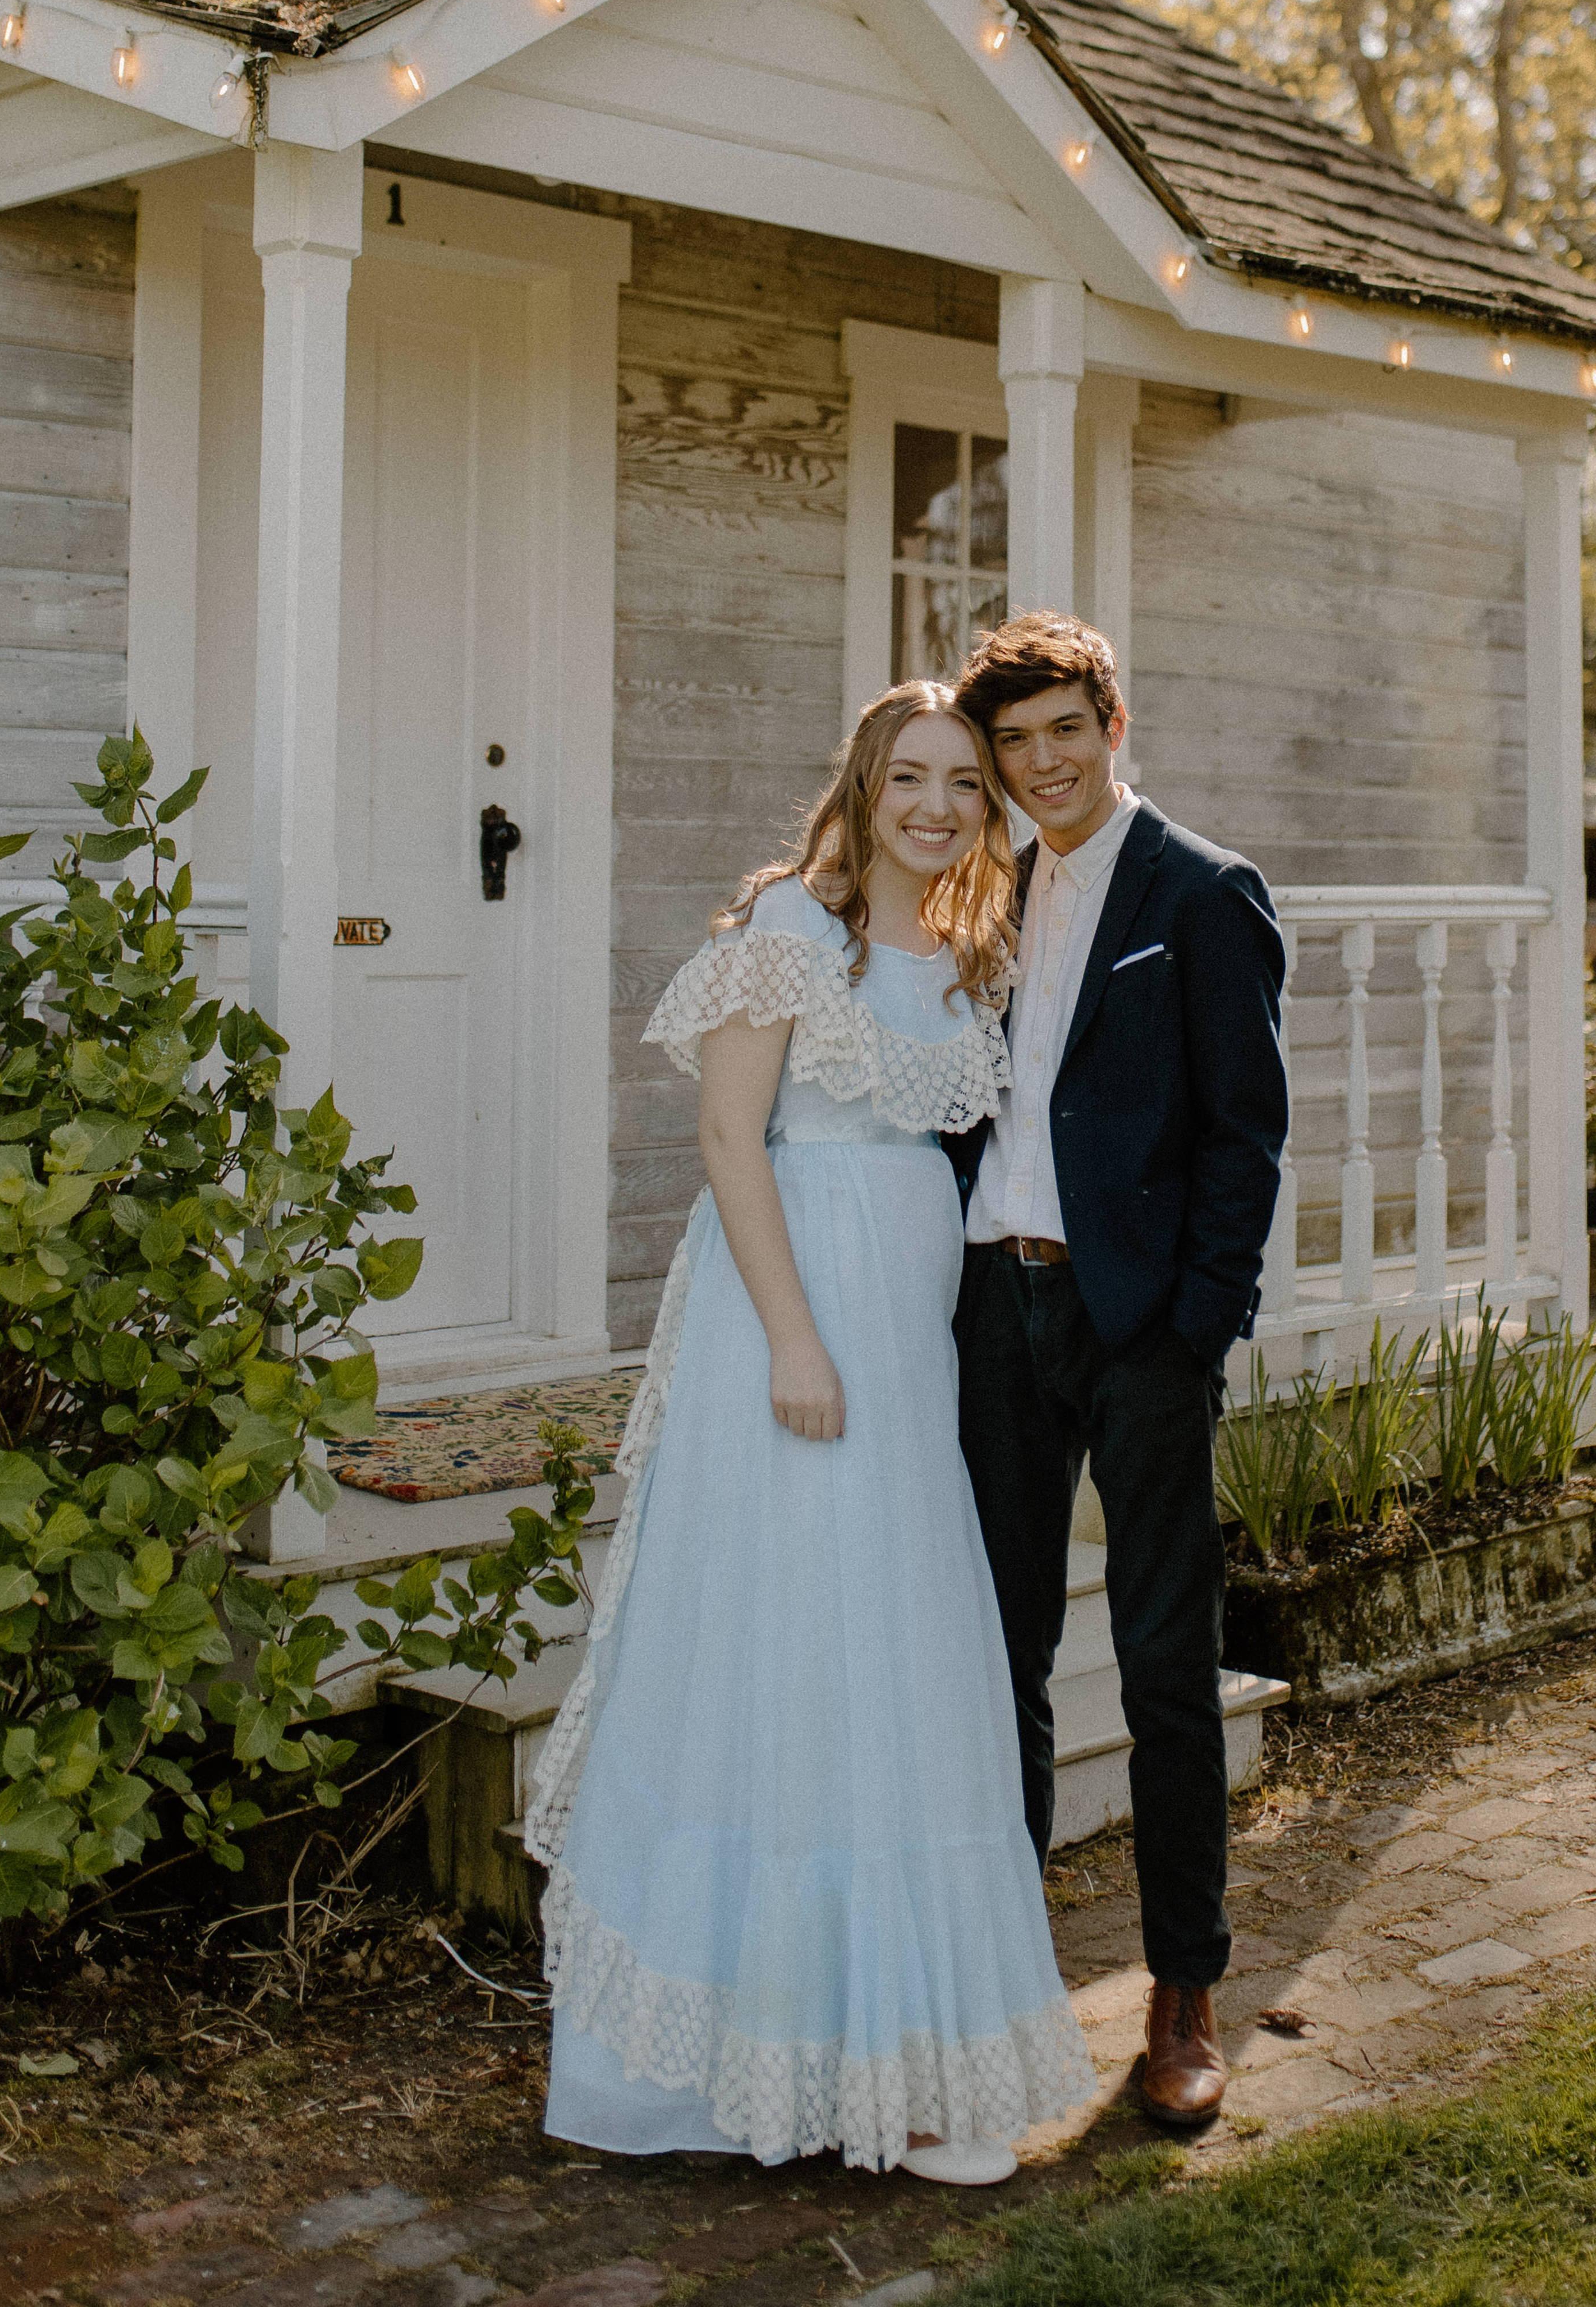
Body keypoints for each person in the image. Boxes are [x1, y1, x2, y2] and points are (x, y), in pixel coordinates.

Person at [525, 683, 1091, 2185]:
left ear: (985, 808)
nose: (936, 804)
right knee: (786, 1647)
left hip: (909, 1332)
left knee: (897, 1652)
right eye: (908, 776)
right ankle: (744, 2055)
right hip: (792, 1315)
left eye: (963, 784)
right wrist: (791, 1335)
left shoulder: (969, 952)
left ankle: (892, 2057)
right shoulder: (793, 928)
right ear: (861, 784)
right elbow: (728, 1140)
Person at [945, 613, 1289, 2135]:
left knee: (1162, 1663)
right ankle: (1008, 1974)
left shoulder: (1202, 894)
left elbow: (1246, 1132)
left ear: (1114, 721)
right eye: (1013, 744)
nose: (1042, 765)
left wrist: (1197, 1322)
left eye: (1063, 731)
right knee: (994, 1655)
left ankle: (1185, 1990)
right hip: (990, 1315)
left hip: (1137, 1325)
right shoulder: (985, 892)